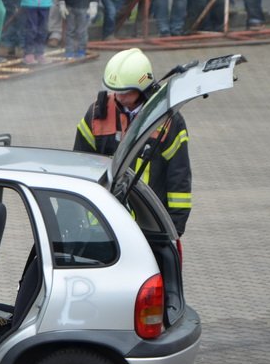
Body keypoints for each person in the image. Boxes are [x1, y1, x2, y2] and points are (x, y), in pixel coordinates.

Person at [73, 48, 191, 235]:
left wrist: (173, 228)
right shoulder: (97, 114)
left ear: (143, 88)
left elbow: (178, 178)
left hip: (148, 225)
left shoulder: (167, 120)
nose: (119, 97)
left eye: (126, 92)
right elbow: (77, 166)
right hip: (102, 222)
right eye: (116, 91)